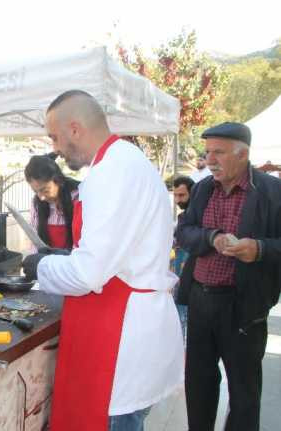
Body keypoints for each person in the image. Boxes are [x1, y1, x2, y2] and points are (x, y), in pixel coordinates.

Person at [22, 90, 183, 431]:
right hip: (133, 323)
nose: (55, 148)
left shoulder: (108, 173)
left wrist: (42, 266)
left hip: (119, 337)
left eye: (55, 136)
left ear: (75, 129)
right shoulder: (128, 159)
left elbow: (87, 273)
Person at [175, 122, 281, 431]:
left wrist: (259, 249)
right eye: (208, 152)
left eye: (218, 152)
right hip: (200, 300)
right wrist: (212, 237)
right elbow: (184, 231)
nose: (210, 160)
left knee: (244, 394)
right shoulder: (204, 189)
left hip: (243, 307)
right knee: (199, 385)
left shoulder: (272, 192)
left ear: (243, 154)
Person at [24, 154, 79, 250]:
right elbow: (35, 244)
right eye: (36, 191)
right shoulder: (36, 204)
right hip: (48, 262)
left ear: (58, 180)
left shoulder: (78, 198)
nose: (41, 197)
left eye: (45, 190)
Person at [171, 175, 195, 339]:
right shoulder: (184, 217)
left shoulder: (195, 217)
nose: (178, 200)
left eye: (182, 195)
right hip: (179, 278)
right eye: (175, 195)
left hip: (189, 279)